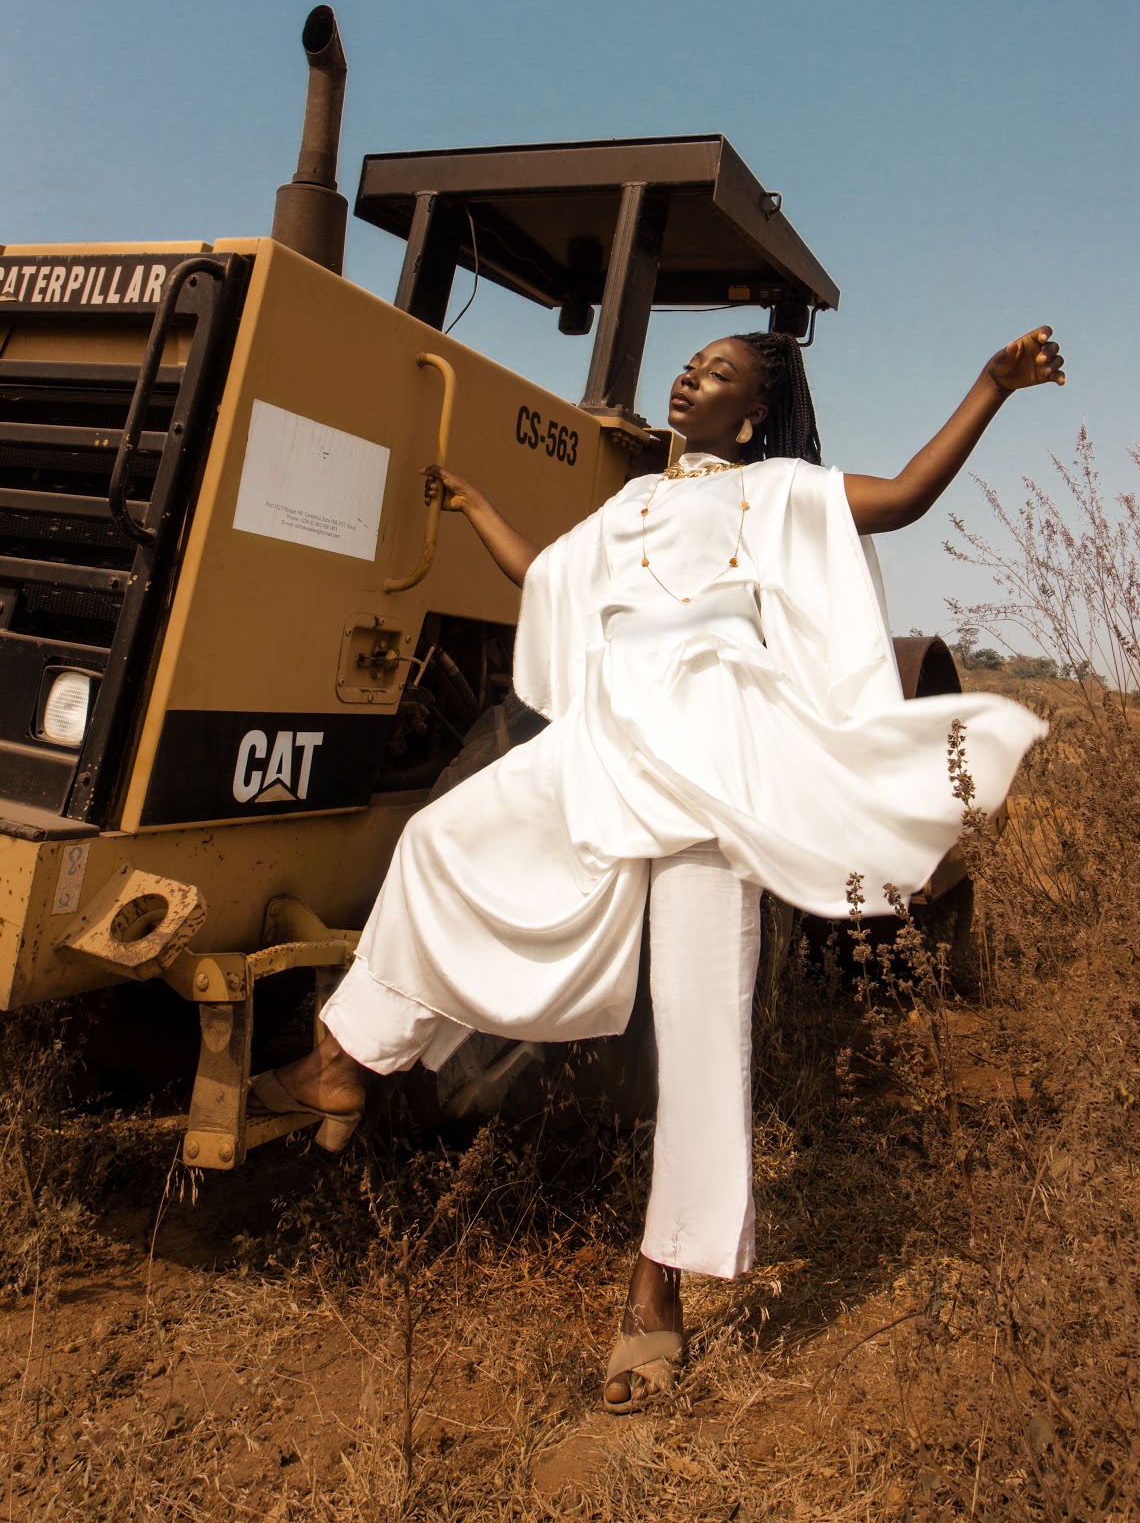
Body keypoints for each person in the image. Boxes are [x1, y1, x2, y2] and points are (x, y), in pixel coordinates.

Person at [252, 323, 1064, 1410]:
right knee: (440, 843)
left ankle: (656, 1289)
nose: (690, 377)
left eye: (718, 373)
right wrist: (476, 504)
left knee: (700, 1030)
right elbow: (546, 577)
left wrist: (991, 386)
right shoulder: (632, 501)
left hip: (710, 765)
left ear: (753, 414)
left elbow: (908, 496)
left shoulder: (778, 490)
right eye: (689, 364)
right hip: (600, 744)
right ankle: (345, 1055)